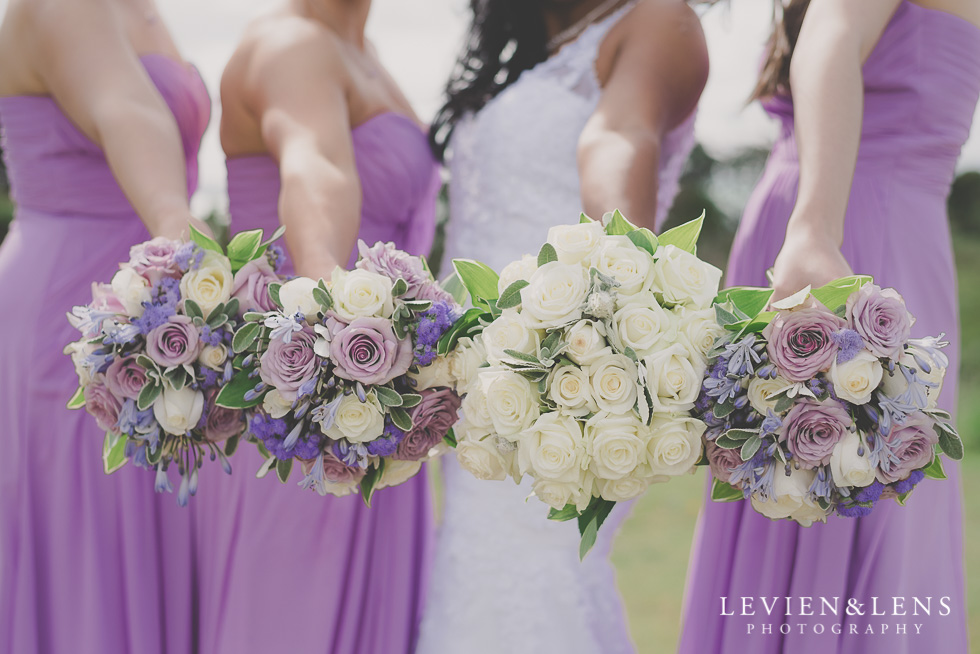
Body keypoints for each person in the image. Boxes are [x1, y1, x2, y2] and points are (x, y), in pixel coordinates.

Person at [679, 1, 978, 652]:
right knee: (833, 490)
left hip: (882, 228)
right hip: (849, 232)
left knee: (864, 497)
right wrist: (816, 227)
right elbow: (830, 35)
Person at [416, 1, 708, 652]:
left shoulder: (658, 21)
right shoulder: (538, 43)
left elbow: (618, 136)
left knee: (539, 570)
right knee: (480, 583)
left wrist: (615, 281)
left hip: (565, 378)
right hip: (471, 395)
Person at [192, 1, 439, 652]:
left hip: (384, 389)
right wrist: (332, 313)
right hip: (306, 394)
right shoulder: (292, 43)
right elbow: (314, 168)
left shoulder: (364, 49)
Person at [0, 0, 210, 651]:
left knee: (159, 538)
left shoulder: (144, 9)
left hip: (159, 309)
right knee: (86, 556)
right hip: (74, 319)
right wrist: (187, 242)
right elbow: (129, 110)